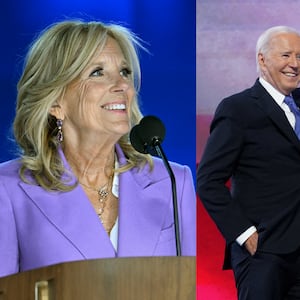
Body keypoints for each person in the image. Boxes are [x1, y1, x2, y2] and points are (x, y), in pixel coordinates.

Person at [0, 19, 196, 278]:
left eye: (125, 72)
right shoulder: (9, 189)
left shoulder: (173, 181)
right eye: (98, 72)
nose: (122, 85)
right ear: (56, 101)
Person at [197, 25, 300, 300]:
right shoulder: (238, 109)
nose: (295, 64)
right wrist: (243, 234)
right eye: (286, 55)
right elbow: (208, 181)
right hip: (264, 254)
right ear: (262, 60)